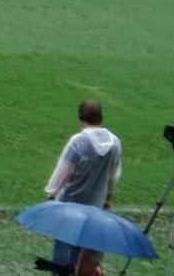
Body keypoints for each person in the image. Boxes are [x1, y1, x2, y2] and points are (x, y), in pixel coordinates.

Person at [44, 101, 123, 269]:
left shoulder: (78, 141)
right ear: (101, 117)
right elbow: (114, 176)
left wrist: (51, 194)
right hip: (96, 207)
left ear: (81, 118)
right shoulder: (115, 143)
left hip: (70, 204)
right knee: (83, 253)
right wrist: (108, 198)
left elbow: (63, 170)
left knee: (63, 249)